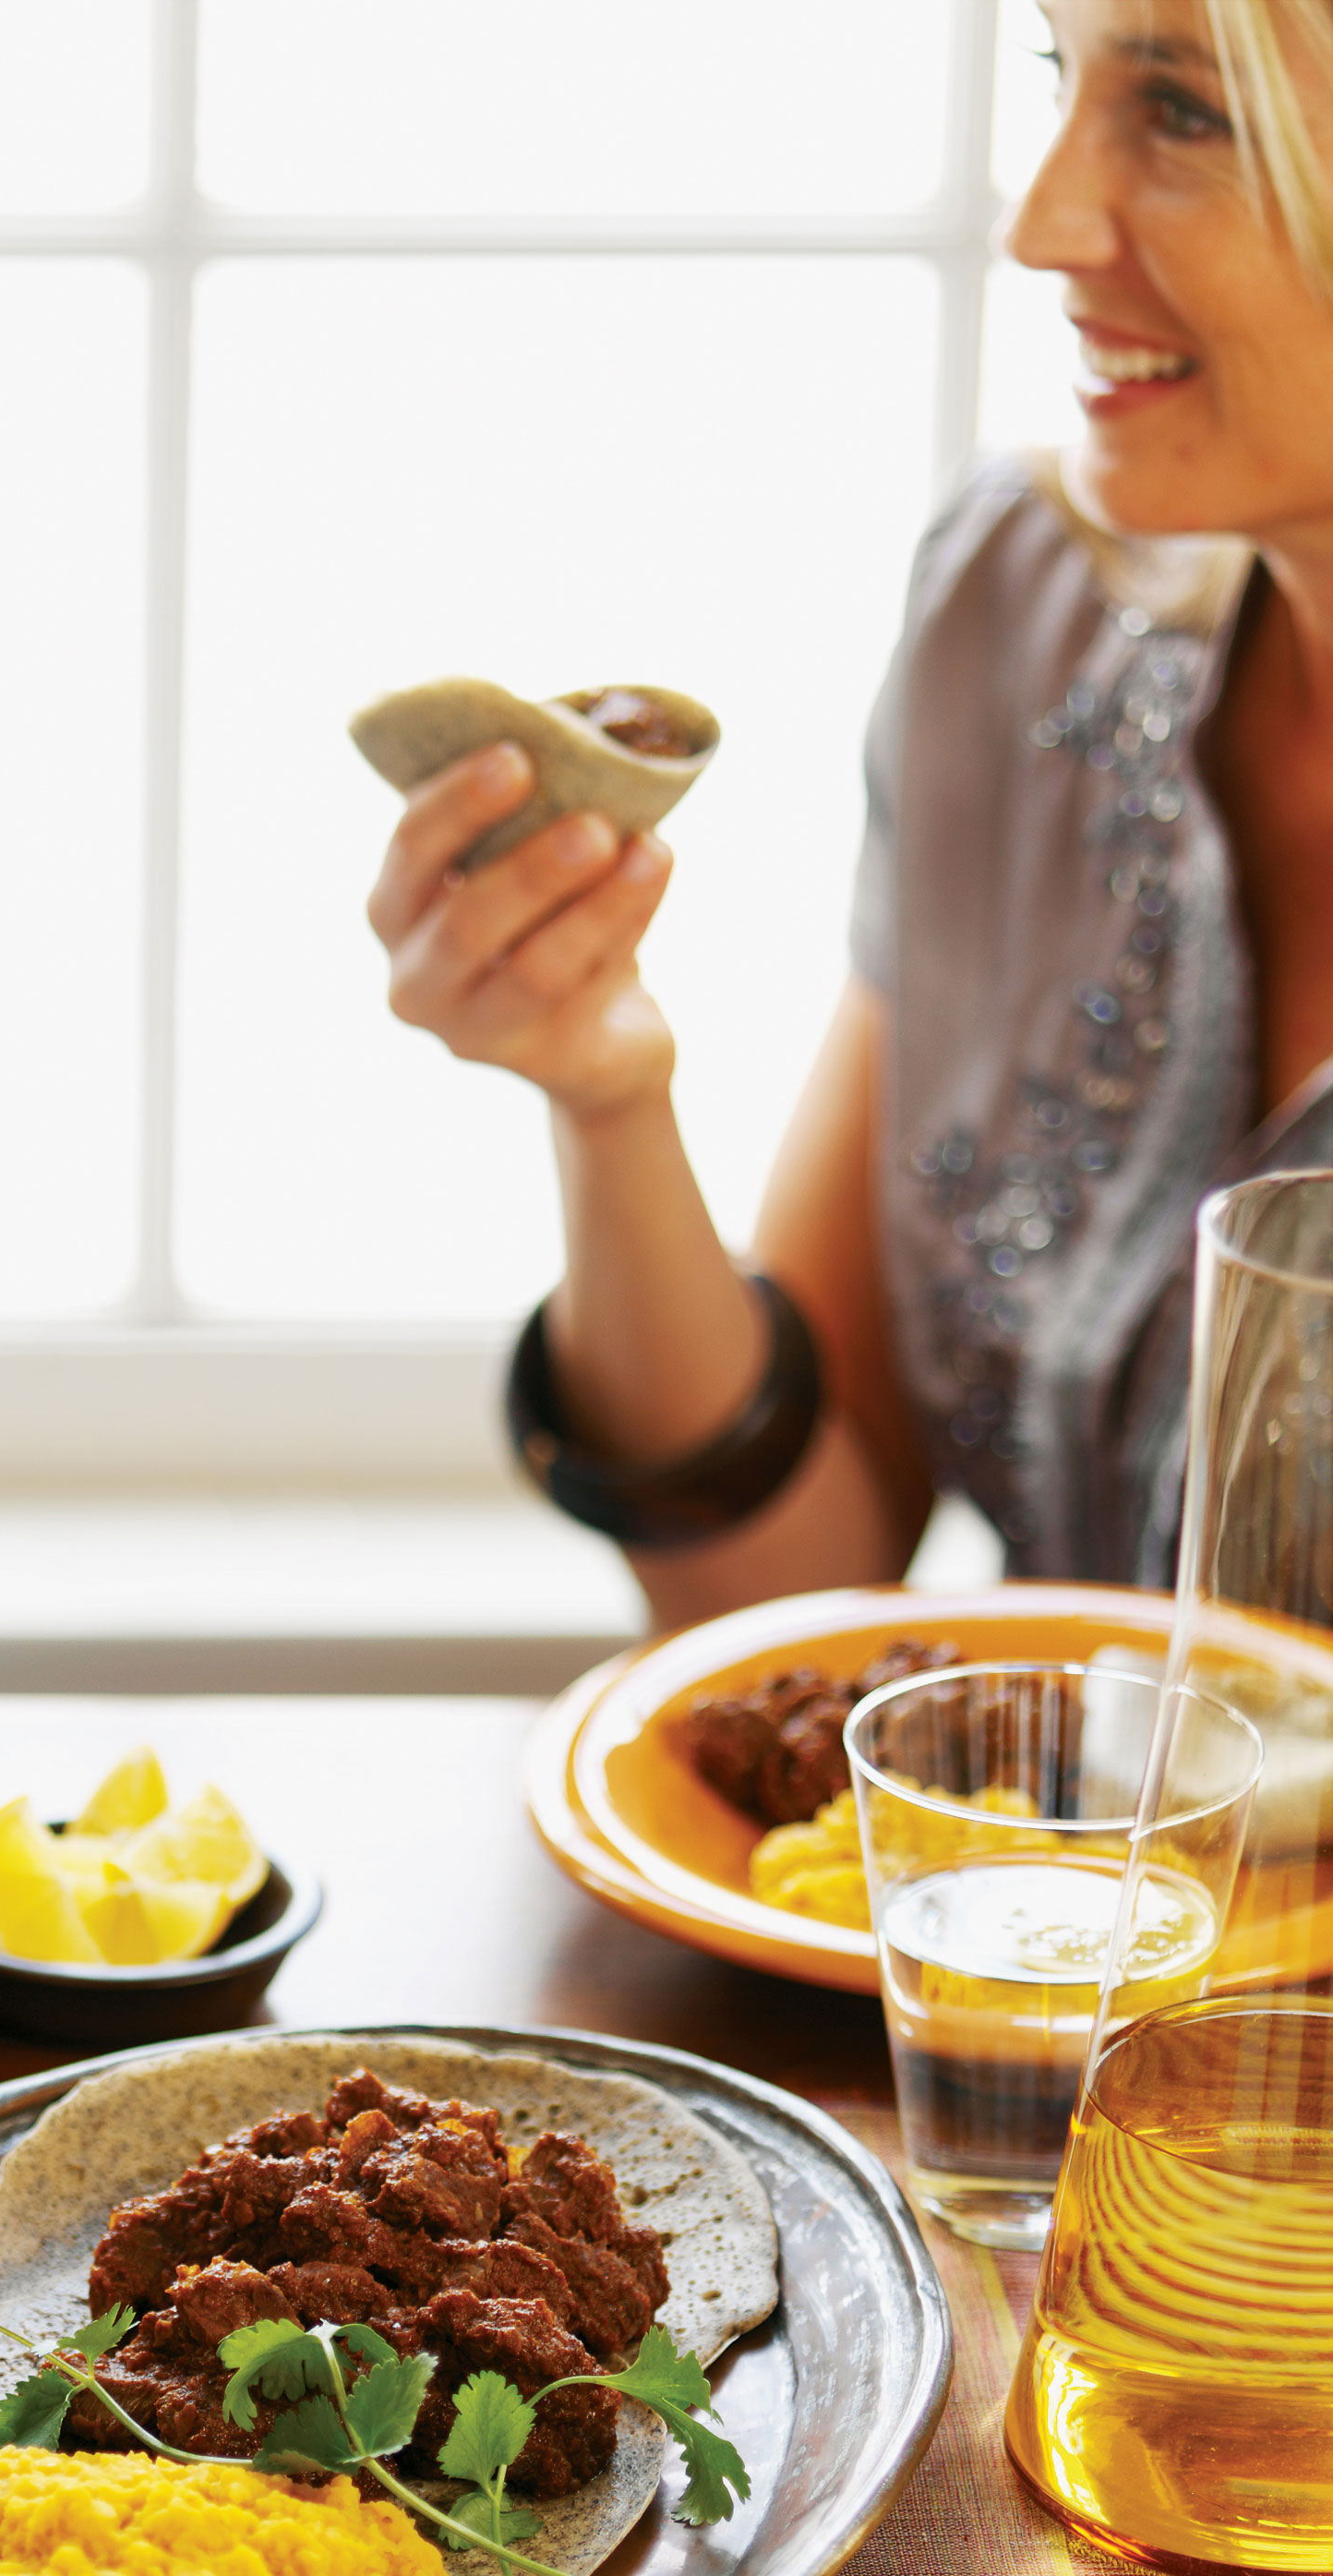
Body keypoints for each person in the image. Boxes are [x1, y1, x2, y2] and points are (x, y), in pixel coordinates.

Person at [369, 0, 1333, 1630]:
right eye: (1059, 75)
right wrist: (607, 1095)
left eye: (1180, 111)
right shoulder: (1017, 622)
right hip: (1042, 1890)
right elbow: (797, 1589)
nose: (1040, 221)